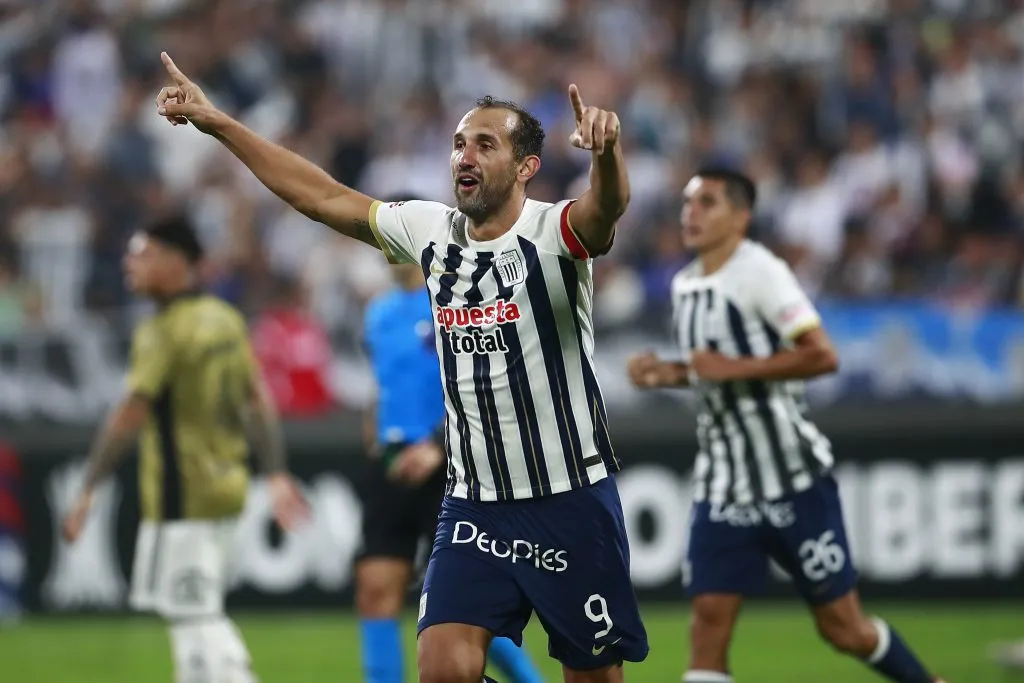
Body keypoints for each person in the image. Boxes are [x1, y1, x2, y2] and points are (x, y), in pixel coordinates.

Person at [156, 50, 648, 683]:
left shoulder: (554, 234)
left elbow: (606, 211)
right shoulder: (427, 230)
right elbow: (319, 196)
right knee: (441, 669)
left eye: (485, 145)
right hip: (474, 504)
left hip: (570, 498)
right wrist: (217, 122)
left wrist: (605, 154)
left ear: (526, 166)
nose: (464, 156)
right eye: (458, 143)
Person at [626, 168, 946, 683]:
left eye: (707, 202)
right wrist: (671, 373)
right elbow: (714, 371)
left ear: (740, 216)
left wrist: (730, 370)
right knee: (708, 623)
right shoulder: (685, 285)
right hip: (724, 483)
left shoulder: (762, 273)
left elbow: (821, 355)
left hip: (792, 478)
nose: (691, 213)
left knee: (844, 629)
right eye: (688, 202)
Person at [62, 215, 308, 683]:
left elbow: (129, 415)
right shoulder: (226, 320)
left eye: (142, 253)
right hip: (227, 487)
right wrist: (275, 473)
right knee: (187, 620)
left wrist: (88, 485)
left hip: (183, 496)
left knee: (196, 616)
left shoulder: (163, 331)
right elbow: (256, 400)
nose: (129, 263)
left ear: (176, 261)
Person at [360, 255, 545, 683]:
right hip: (390, 463)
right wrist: (374, 435)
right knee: (374, 590)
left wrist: (436, 446)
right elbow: (382, 380)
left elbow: (480, 381)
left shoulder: (453, 301)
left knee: (461, 604)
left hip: (448, 461)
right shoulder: (378, 312)